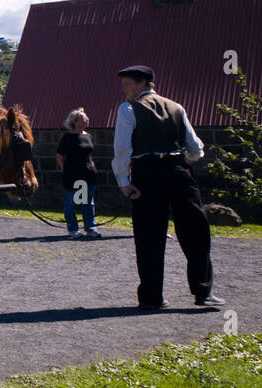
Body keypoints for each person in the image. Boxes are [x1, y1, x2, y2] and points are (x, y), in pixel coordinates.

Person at [112, 64, 223, 311]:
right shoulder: (176, 107)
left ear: (143, 83)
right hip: (178, 170)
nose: (124, 89)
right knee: (195, 230)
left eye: (128, 83)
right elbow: (195, 148)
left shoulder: (128, 109)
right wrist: (184, 162)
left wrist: (124, 181)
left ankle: (152, 297)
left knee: (149, 235)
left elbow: (122, 148)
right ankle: (203, 291)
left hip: (147, 172)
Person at [56, 107, 100, 238]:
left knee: (88, 202)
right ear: (75, 121)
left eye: (86, 118)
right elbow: (60, 156)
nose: (87, 119)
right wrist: (65, 170)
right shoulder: (68, 137)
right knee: (71, 202)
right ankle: (73, 229)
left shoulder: (88, 136)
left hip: (89, 175)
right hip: (74, 175)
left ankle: (91, 228)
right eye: (83, 118)